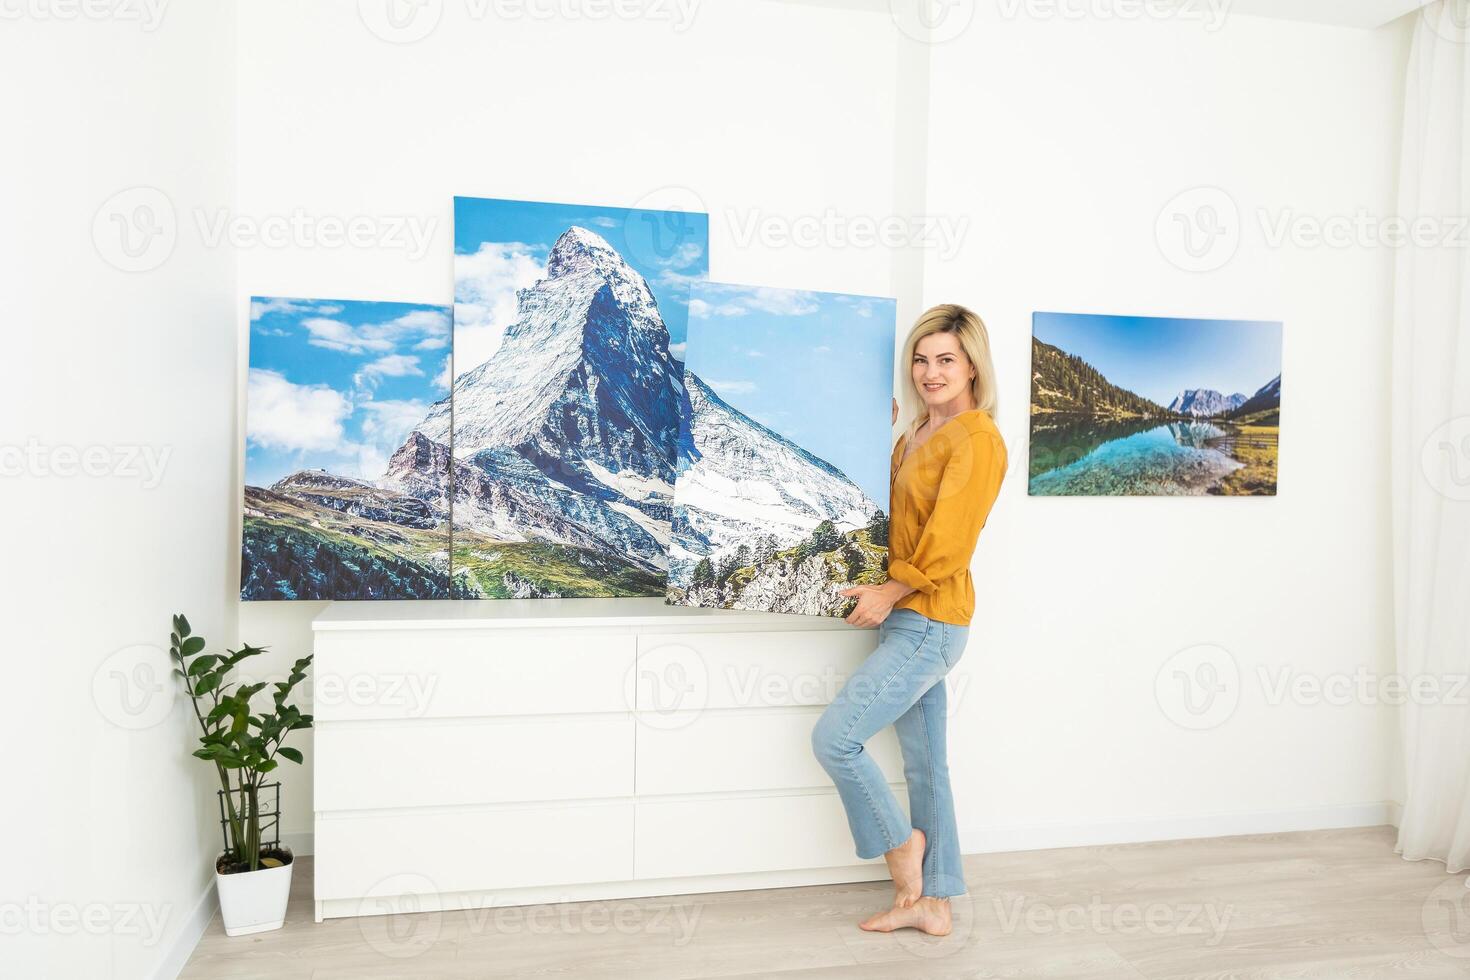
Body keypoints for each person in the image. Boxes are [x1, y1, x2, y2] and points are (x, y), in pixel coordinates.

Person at [814, 303, 1007, 936]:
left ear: (973, 364)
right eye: (921, 360)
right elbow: (894, 516)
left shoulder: (978, 437)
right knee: (928, 765)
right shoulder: (915, 432)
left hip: (931, 622)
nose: (930, 372)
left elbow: (951, 542)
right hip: (912, 620)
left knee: (835, 739)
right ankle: (937, 903)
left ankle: (903, 848)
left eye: (945, 359)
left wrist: (888, 593)